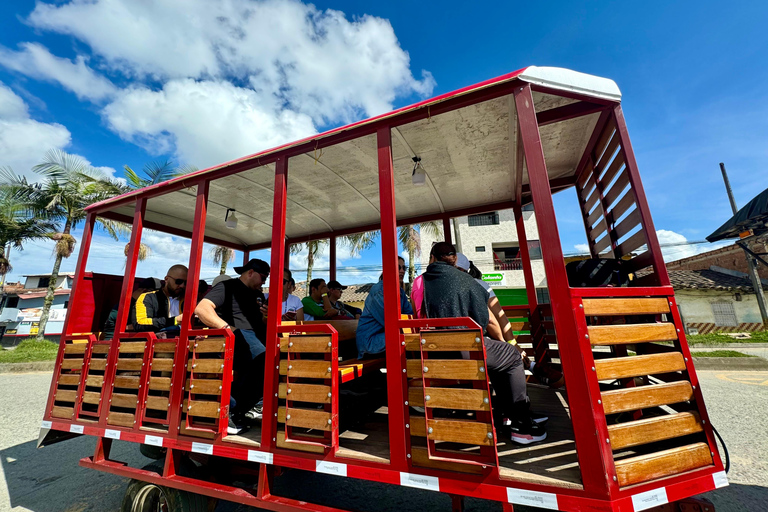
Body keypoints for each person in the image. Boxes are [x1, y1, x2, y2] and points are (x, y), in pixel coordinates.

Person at [422, 242, 546, 445]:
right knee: (511, 356)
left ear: (432, 258)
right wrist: (509, 343)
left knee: (498, 357)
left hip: (433, 352)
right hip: (465, 351)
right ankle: (522, 425)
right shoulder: (469, 282)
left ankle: (510, 414)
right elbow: (486, 321)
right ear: (454, 261)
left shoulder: (421, 282)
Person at [195, 259, 270, 434]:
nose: (264, 282)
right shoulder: (227, 286)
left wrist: (266, 317)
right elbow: (202, 308)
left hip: (255, 337)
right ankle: (229, 410)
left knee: (276, 359)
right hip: (233, 337)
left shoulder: (258, 295)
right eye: (263, 277)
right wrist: (228, 329)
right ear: (250, 272)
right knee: (263, 358)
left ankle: (240, 410)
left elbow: (259, 324)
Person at [356, 256, 414, 358]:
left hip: (385, 337)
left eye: (404, 268)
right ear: (388, 269)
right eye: (398, 267)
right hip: (370, 342)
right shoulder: (379, 291)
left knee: (413, 339)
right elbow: (391, 321)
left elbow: (409, 314)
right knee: (409, 340)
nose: (402, 271)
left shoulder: (400, 291)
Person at [133, 265, 188, 332]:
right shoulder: (149, 297)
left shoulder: (188, 300)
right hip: (159, 340)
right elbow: (140, 323)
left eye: (186, 283)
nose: (182, 286)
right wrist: (175, 320)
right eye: (178, 281)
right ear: (166, 279)